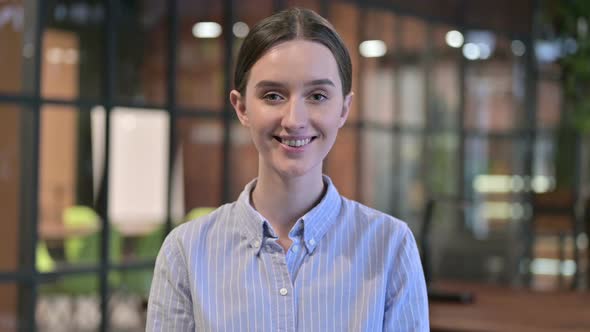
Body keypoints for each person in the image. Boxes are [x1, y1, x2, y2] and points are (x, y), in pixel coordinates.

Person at [147, 7, 429, 331]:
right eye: (273, 95)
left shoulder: (390, 247)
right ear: (241, 108)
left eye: (318, 95)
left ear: (344, 109)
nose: (295, 119)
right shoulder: (185, 252)